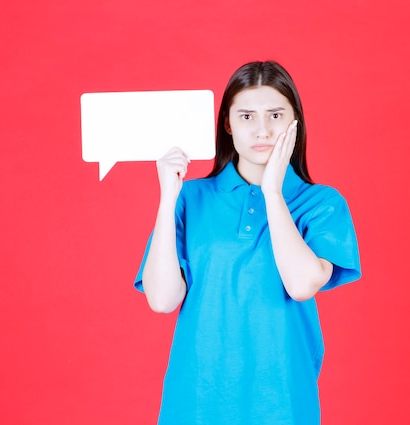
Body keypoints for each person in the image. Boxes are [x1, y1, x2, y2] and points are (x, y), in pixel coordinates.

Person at [134, 61, 361, 425]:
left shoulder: (321, 203)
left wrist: (273, 191)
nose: (262, 130)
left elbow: (302, 285)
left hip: (283, 403)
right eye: (246, 116)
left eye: (275, 115)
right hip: (194, 403)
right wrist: (167, 198)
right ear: (227, 123)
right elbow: (162, 300)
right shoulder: (190, 199)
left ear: (294, 122)